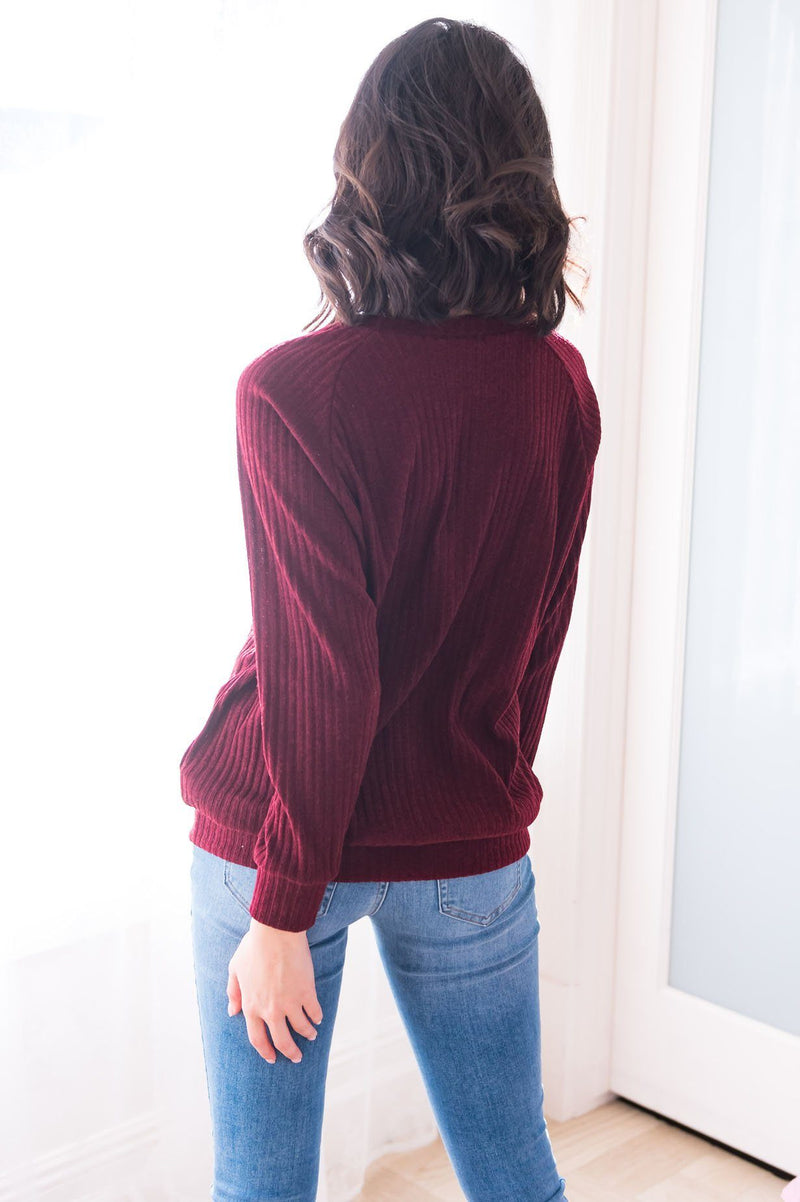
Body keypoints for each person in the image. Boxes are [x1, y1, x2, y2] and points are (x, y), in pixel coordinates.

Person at [182, 16, 601, 1202]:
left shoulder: (289, 390)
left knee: (261, 1184)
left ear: (365, 167)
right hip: (466, 834)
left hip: (279, 846)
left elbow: (322, 680)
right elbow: (540, 624)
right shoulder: (556, 382)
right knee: (513, 1169)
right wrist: (491, 785)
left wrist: (281, 911)